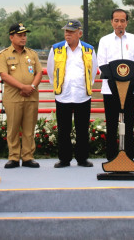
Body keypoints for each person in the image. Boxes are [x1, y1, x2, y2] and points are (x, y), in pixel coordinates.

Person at [47, 20, 97, 168]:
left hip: (82, 95)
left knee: (82, 129)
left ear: (79, 33)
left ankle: (82, 159)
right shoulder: (56, 49)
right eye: (66, 31)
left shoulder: (89, 49)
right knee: (63, 129)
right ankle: (64, 159)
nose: (67, 34)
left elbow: (93, 70)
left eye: (71, 31)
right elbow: (51, 71)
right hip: (63, 94)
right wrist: (57, 86)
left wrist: (86, 85)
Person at [97, 9, 134, 161]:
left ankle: (129, 158)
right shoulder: (104, 41)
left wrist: (128, 79)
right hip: (110, 89)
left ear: (127, 22)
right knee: (111, 124)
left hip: (129, 89)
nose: (119, 24)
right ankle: (111, 158)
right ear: (111, 22)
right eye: (116, 20)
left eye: (122, 21)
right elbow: (101, 65)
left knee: (129, 123)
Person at [0, 23, 43, 169]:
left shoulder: (32, 54)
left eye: (25, 35)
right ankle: (14, 157)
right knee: (13, 128)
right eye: (20, 35)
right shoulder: (4, 55)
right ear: (11, 37)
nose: (23, 38)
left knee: (29, 128)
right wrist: (22, 87)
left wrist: (32, 87)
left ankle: (28, 156)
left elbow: (39, 73)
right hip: (13, 97)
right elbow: (4, 75)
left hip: (31, 95)